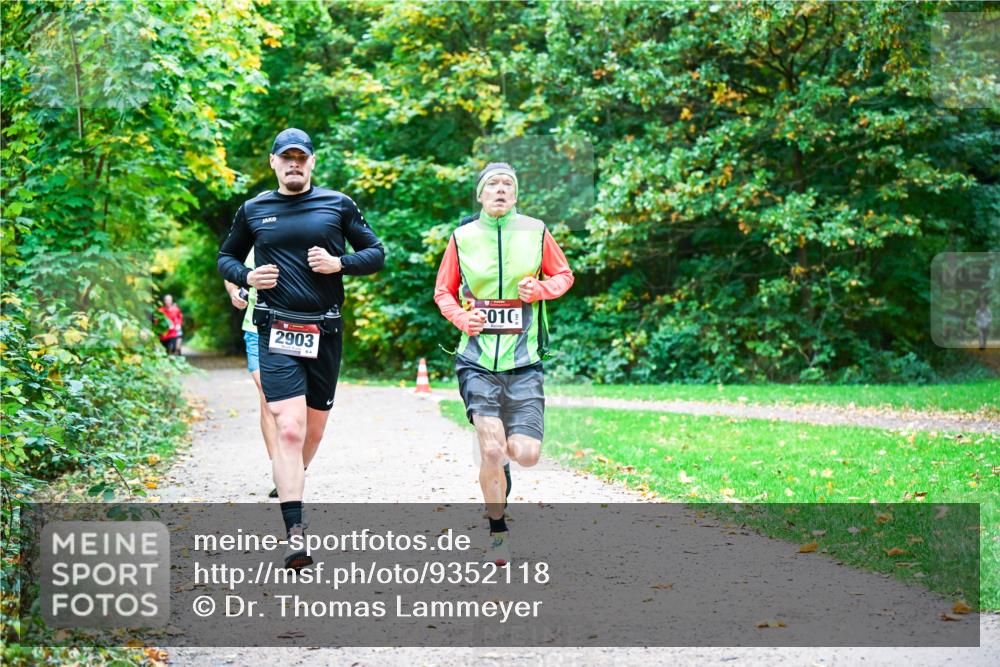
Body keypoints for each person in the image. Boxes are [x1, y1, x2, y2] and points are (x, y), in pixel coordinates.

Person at [218, 128, 385, 569]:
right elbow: (226, 258)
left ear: (312, 163)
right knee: (288, 429)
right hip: (275, 330)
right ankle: (295, 532)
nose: (294, 164)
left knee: (312, 433)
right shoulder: (254, 209)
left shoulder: (338, 204)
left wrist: (340, 263)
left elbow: (376, 253)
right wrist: (246, 277)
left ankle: (291, 475)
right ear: (273, 162)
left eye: (302, 158)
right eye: (286, 157)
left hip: (325, 330)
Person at [434, 162, 574, 566]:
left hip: (525, 361)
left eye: (507, 184)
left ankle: (506, 468)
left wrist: (541, 289)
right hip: (476, 360)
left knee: (525, 453)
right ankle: (498, 532)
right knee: (491, 447)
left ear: (515, 194)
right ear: (480, 194)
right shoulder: (461, 237)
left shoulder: (536, 231)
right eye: (492, 184)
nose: (500, 190)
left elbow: (564, 275)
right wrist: (463, 318)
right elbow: (443, 291)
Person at [224, 247, 279, 498]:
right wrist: (235, 291)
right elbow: (229, 271)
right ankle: (280, 468)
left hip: (293, 329)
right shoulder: (253, 240)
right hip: (256, 328)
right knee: (267, 394)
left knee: (292, 402)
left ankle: (294, 463)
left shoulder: (299, 234)